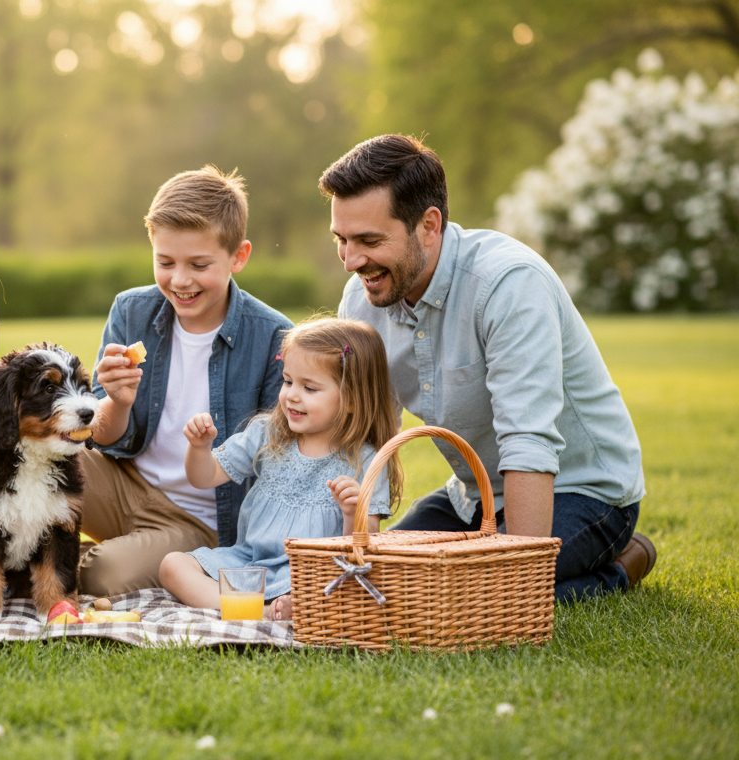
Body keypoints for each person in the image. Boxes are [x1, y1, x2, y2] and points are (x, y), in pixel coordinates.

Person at [323, 134, 654, 602]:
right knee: (381, 582)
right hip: (472, 497)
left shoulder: (509, 285)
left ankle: (620, 567)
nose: (352, 261)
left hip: (582, 492)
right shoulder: (362, 297)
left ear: (429, 225)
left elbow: (528, 442)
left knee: (473, 596)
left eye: (369, 241)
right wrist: (361, 546)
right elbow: (367, 431)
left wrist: (511, 574)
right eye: (342, 240)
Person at [80, 166, 294, 596]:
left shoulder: (273, 336)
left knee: (103, 576)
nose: (179, 280)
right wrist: (117, 402)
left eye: (199, 264)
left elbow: (278, 463)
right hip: (123, 481)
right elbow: (99, 437)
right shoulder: (131, 312)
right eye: (165, 262)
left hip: (198, 518)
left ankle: (39, 562)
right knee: (23, 461)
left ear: (239, 256)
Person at [159, 318, 401, 619]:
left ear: (352, 399)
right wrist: (199, 448)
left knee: (335, 590)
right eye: (287, 381)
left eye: (309, 388)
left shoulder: (366, 461)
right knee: (173, 565)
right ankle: (255, 612)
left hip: (310, 574)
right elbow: (203, 477)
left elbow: (363, 552)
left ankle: (268, 608)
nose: (292, 395)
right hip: (249, 563)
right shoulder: (268, 433)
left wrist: (353, 513)